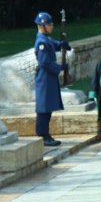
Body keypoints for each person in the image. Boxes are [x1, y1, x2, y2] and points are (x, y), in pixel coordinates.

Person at [33, 12, 70, 148]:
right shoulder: (41, 42)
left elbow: (52, 44)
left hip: (48, 78)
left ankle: (46, 134)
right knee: (44, 109)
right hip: (45, 78)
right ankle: (43, 135)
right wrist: (60, 67)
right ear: (42, 25)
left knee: (47, 108)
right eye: (50, 24)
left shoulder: (45, 39)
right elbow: (45, 63)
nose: (52, 26)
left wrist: (61, 44)